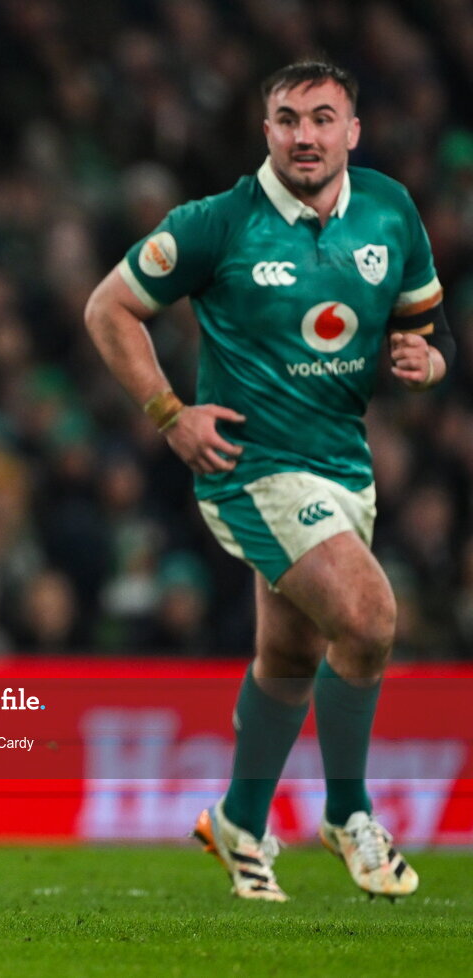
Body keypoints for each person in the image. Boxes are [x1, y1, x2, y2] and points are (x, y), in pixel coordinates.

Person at [84, 61, 454, 901]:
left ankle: (242, 821)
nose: (306, 136)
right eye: (288, 119)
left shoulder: (392, 211)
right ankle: (350, 813)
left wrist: (428, 361)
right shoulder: (218, 225)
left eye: (324, 119)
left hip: (344, 469)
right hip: (250, 468)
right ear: (267, 131)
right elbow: (108, 307)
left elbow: (428, 330)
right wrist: (168, 412)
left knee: (289, 652)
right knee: (368, 615)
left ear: (352, 131)